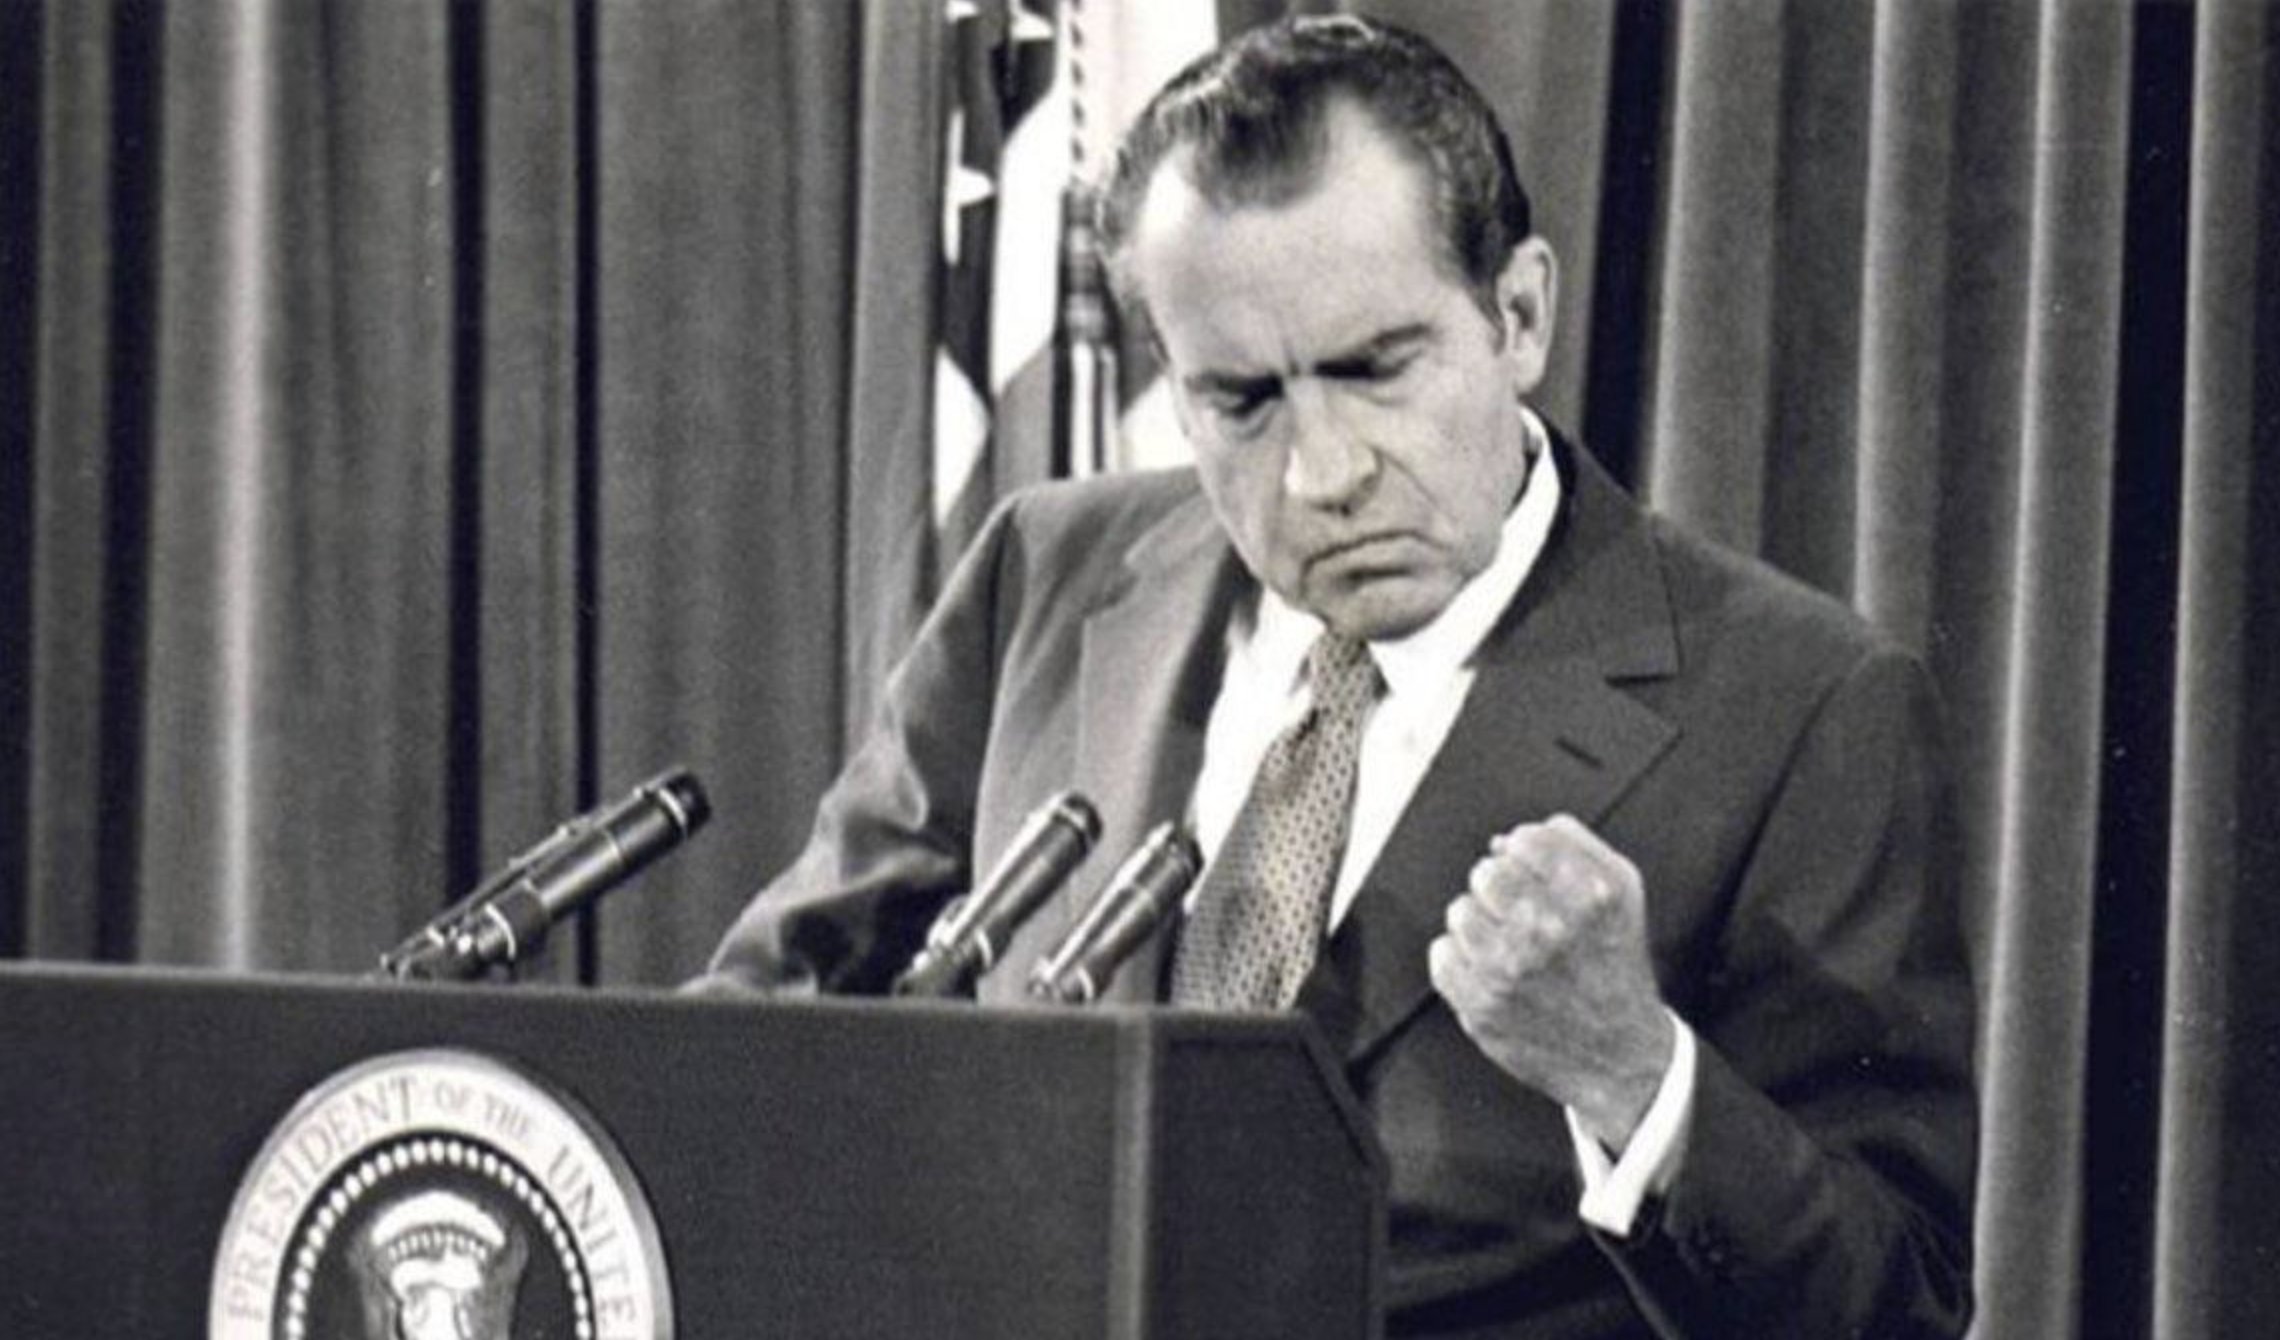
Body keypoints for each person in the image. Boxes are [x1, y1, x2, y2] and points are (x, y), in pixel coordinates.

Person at [699, 15, 1974, 1338]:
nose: (1322, 475)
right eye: (1241, 401)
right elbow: (752, 1047)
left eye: (1375, 370)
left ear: (1519, 315)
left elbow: (1899, 1307)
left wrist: (1634, 1076)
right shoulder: (1047, 575)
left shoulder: (1801, 706)